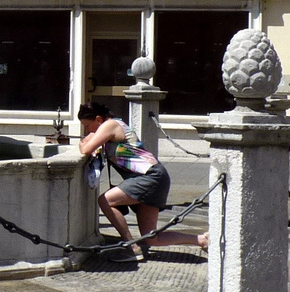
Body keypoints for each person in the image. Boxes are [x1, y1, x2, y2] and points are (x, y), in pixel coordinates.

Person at [77, 102, 207, 258]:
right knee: (152, 238)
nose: (86, 130)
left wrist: (86, 140)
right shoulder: (109, 128)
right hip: (155, 176)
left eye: (87, 125)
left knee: (105, 201)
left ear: (98, 119)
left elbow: (86, 149)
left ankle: (131, 247)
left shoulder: (110, 124)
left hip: (149, 176)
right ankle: (201, 240)